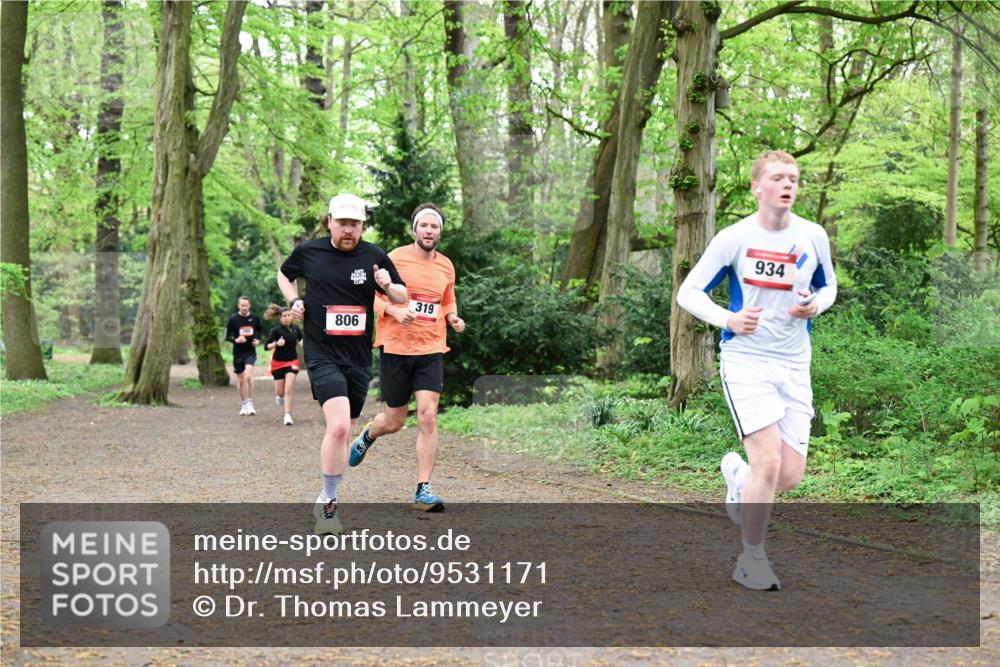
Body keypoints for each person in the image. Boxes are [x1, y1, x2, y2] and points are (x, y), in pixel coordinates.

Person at [676, 150, 837, 591]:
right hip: (746, 361)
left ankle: (739, 478)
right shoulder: (735, 237)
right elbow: (688, 293)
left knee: (788, 475)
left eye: (794, 178)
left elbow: (829, 286)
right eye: (779, 177)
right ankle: (751, 560)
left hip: (794, 363)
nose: (788, 184)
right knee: (767, 461)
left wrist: (814, 305)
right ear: (757, 187)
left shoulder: (812, 235)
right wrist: (728, 319)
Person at [277, 193, 407, 535]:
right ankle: (329, 504)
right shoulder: (310, 251)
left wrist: (387, 286)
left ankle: (326, 495)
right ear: (329, 222)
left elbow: (402, 297)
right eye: (343, 223)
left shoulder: (375, 255)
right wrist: (294, 300)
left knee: (346, 430)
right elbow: (284, 274)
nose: (349, 230)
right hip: (321, 352)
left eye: (356, 224)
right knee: (337, 428)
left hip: (359, 357)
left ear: (362, 225)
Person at [348, 203, 466, 512]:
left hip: (431, 349)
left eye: (435, 226)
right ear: (414, 230)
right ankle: (368, 434)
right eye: (424, 225)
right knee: (394, 421)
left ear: (440, 232)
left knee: (428, 415)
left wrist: (453, 317)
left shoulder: (446, 265)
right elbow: (368, 297)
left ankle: (423, 490)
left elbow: (447, 300)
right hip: (396, 349)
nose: (429, 231)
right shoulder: (394, 259)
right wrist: (394, 311)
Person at [264, 304, 302, 426]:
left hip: (292, 361)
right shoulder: (276, 331)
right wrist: (276, 344)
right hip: (278, 363)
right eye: (284, 316)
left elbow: (302, 341)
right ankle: (279, 397)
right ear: (280, 318)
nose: (287, 318)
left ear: (292, 316)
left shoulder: (296, 329)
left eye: (289, 315)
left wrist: (306, 344)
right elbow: (266, 346)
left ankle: (287, 415)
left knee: (289, 388)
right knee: (280, 392)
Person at [225, 296, 261, 416]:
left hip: (250, 352)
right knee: (240, 381)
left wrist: (258, 340)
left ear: (249, 305)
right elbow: (227, 336)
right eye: (242, 305)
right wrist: (236, 339)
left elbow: (259, 332)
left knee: (249, 377)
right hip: (238, 353)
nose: (244, 307)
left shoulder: (255, 318)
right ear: (238, 306)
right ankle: (244, 403)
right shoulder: (233, 319)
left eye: (246, 305)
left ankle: (250, 403)